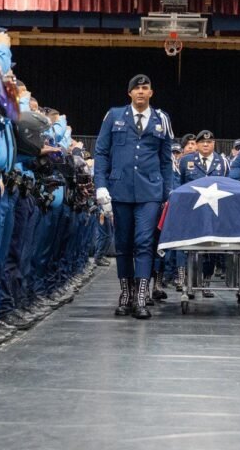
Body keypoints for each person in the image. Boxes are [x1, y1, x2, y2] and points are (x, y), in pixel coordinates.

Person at [94, 74, 174, 320]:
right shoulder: (114, 116)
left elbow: (166, 160)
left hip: (150, 191)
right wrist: (100, 185)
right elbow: (101, 152)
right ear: (129, 93)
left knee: (144, 242)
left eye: (145, 88)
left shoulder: (162, 119)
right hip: (120, 190)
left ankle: (141, 296)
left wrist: (167, 192)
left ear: (151, 92)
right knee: (124, 244)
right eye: (136, 88)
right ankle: (126, 294)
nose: (141, 91)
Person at [177, 130, 230, 297]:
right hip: (191, 213)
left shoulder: (222, 161)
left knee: (211, 250)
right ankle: (188, 282)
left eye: (209, 142)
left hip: (214, 213)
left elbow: (229, 186)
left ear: (214, 144)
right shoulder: (185, 161)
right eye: (202, 142)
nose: (206, 144)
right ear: (197, 145)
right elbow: (179, 186)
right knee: (188, 249)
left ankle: (206, 282)